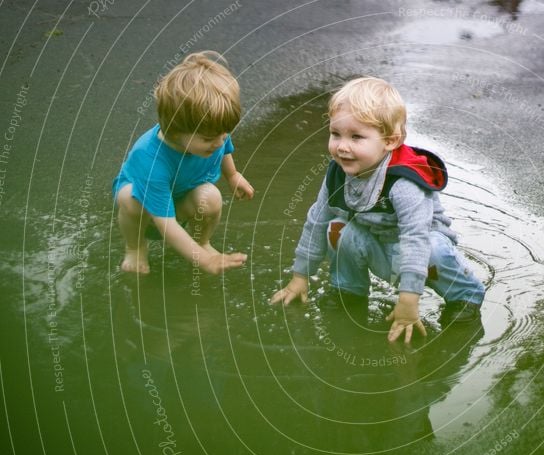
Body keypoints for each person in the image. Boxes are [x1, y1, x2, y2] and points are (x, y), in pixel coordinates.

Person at [271, 77, 485, 343]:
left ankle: (464, 296)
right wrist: (300, 275)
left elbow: (415, 238)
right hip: (382, 248)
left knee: (433, 248)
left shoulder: (403, 182)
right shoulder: (337, 175)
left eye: (356, 137)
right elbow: (316, 220)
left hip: (424, 255)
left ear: (391, 141)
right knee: (337, 229)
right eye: (335, 134)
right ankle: (347, 292)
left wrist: (408, 300)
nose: (342, 146)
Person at [112, 51, 254, 275]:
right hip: (147, 208)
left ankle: (202, 243)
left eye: (225, 134)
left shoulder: (213, 132)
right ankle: (135, 247)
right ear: (176, 132)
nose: (219, 142)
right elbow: (165, 224)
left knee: (211, 197)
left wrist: (233, 176)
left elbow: (224, 150)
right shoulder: (150, 158)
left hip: (182, 194)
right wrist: (205, 263)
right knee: (131, 199)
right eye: (209, 139)